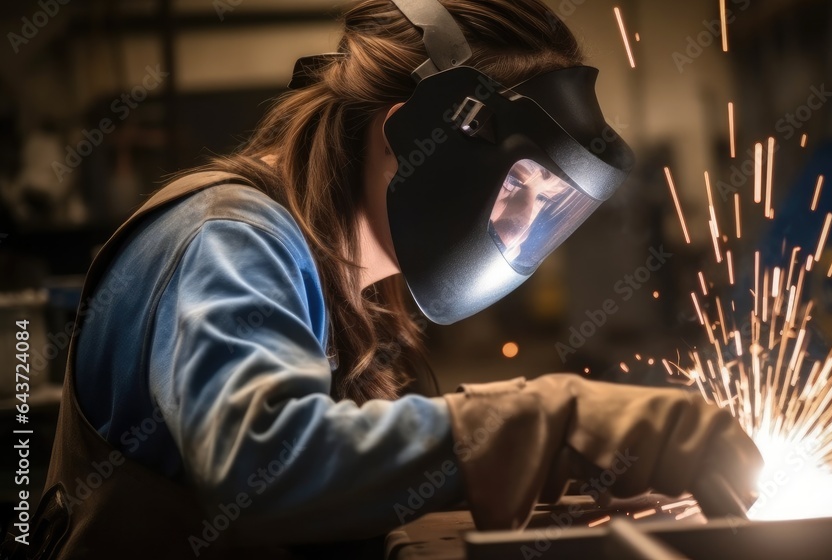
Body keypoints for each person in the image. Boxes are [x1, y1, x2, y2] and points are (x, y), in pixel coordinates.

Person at [5, 1, 762, 558]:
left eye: (550, 202)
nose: (527, 217)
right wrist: (555, 422)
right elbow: (267, 465)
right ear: (418, 135)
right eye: (522, 182)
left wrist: (577, 484)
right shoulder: (228, 240)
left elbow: (360, 473)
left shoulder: (338, 268)